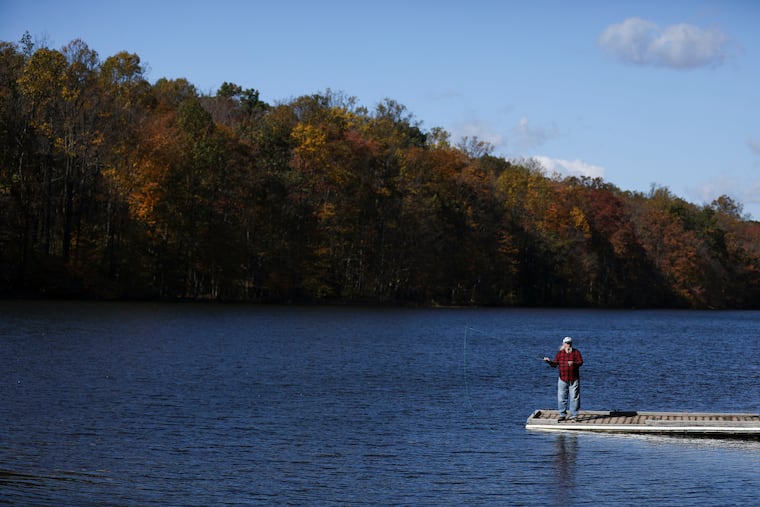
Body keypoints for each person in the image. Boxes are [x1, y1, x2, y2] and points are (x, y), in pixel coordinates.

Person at [543, 336, 583, 421]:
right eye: (567, 343)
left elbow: (580, 362)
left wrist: (574, 363)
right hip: (562, 378)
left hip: (574, 378)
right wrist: (548, 361)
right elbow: (555, 364)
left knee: (574, 397)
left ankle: (574, 415)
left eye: (569, 343)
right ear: (563, 344)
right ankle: (562, 414)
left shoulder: (576, 353)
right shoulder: (560, 353)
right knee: (561, 397)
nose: (568, 345)